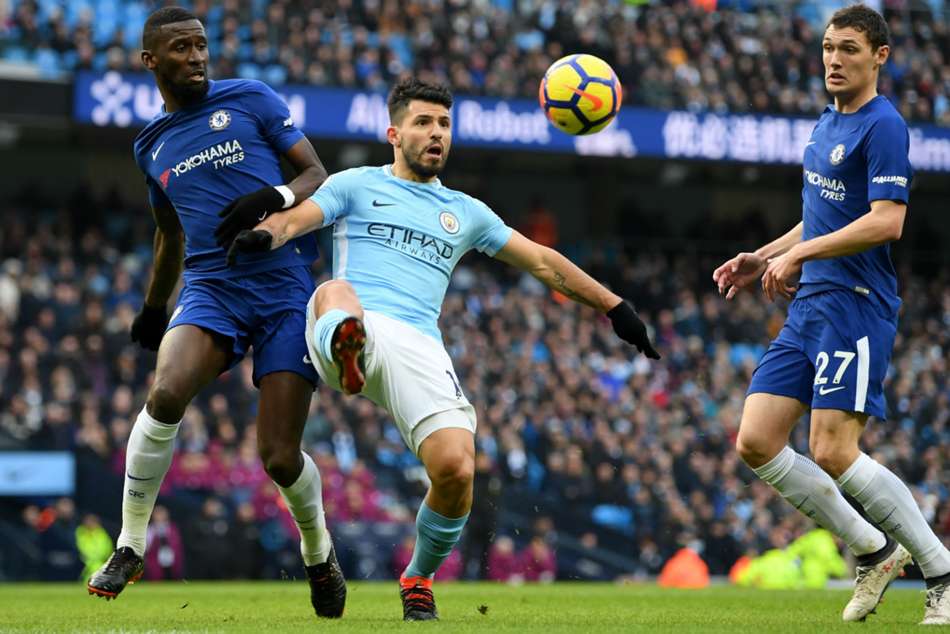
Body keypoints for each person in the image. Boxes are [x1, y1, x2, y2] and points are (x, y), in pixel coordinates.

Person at [227, 77, 660, 621]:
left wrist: (615, 307)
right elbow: (296, 218)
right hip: (352, 317)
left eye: (445, 125)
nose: (437, 134)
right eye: (424, 123)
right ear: (394, 132)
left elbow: (544, 263)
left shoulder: (466, 212)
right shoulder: (354, 184)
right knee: (335, 292)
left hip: (418, 343)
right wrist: (265, 235)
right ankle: (347, 350)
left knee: (456, 469)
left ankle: (418, 578)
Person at [86, 7, 346, 619]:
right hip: (211, 288)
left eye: (202, 46)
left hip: (284, 286)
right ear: (151, 61)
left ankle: (318, 550)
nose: (197, 57)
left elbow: (316, 174)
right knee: (166, 393)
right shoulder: (150, 143)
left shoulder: (251, 98)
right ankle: (129, 545)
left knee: (279, 458)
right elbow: (168, 233)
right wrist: (154, 308)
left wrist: (274, 197)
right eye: (181, 48)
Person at [713, 4, 948, 625]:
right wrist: (761, 256)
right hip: (809, 304)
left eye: (848, 49)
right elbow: (818, 216)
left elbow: (885, 221)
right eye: (827, 48)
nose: (834, 60)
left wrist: (801, 257)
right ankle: (872, 549)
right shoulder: (824, 123)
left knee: (833, 450)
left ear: (879, 56)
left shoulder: (884, 126)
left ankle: (941, 570)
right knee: (756, 440)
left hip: (855, 305)